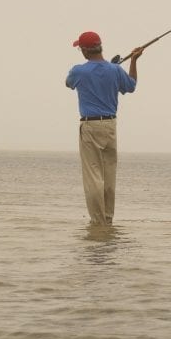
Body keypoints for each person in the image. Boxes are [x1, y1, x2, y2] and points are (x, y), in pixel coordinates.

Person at [65, 31, 144, 226]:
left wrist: (110, 67)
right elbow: (131, 86)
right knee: (109, 177)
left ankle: (98, 223)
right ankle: (108, 220)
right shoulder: (115, 70)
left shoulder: (78, 71)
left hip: (90, 125)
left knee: (93, 177)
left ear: (84, 50)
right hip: (110, 125)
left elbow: (69, 83)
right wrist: (133, 61)